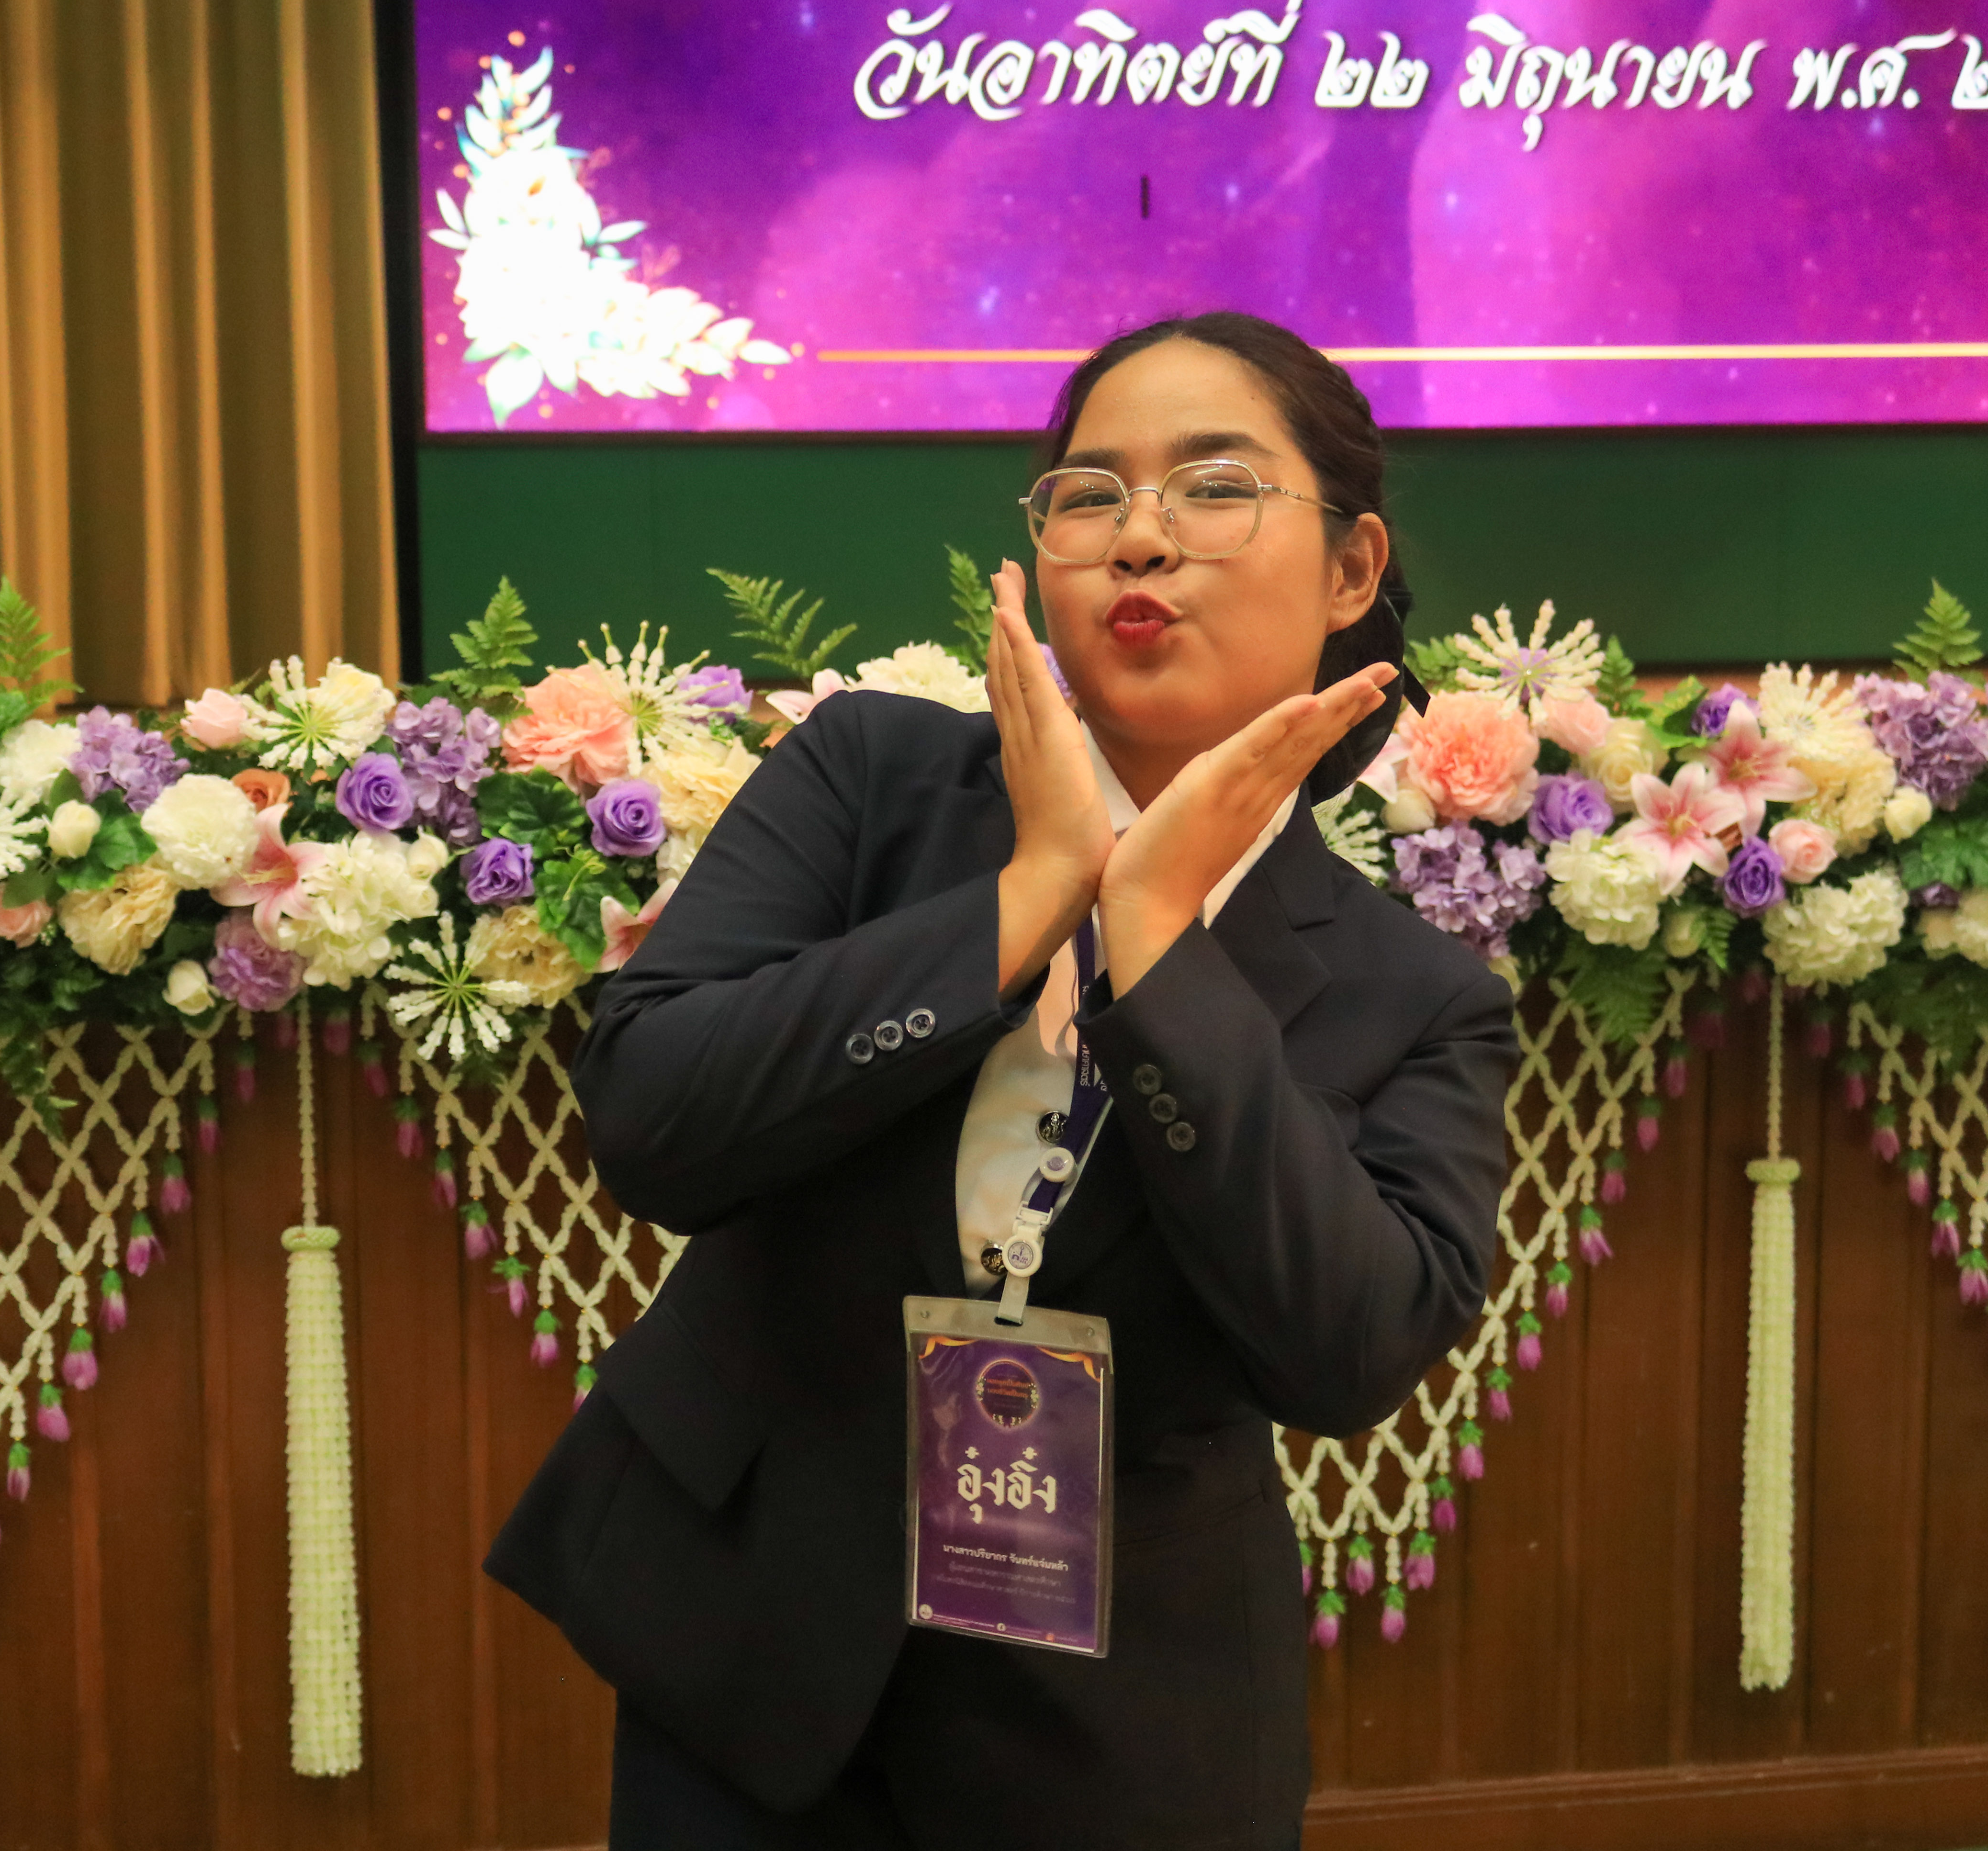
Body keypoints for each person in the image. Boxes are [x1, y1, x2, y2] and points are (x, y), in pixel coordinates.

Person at [485, 311, 1520, 1849]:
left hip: (1121, 1721)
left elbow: (1348, 1352)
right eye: (1091, 495)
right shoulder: (870, 778)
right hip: (749, 1638)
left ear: (1352, 569)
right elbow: (652, 1120)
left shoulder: (1415, 996)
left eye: (1214, 487)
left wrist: (1155, 950)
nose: (1142, 536)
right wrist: (1029, 896)